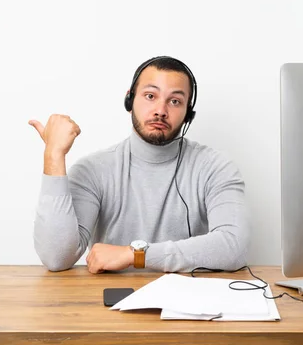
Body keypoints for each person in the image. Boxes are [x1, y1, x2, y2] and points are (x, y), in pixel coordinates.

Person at [29, 56, 249, 274]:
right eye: (150, 96)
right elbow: (56, 258)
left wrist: (135, 255)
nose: (161, 110)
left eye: (175, 101)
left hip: (187, 302)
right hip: (111, 300)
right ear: (129, 100)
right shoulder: (93, 170)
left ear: (188, 114)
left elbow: (234, 246)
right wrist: (54, 155)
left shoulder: (216, 168)